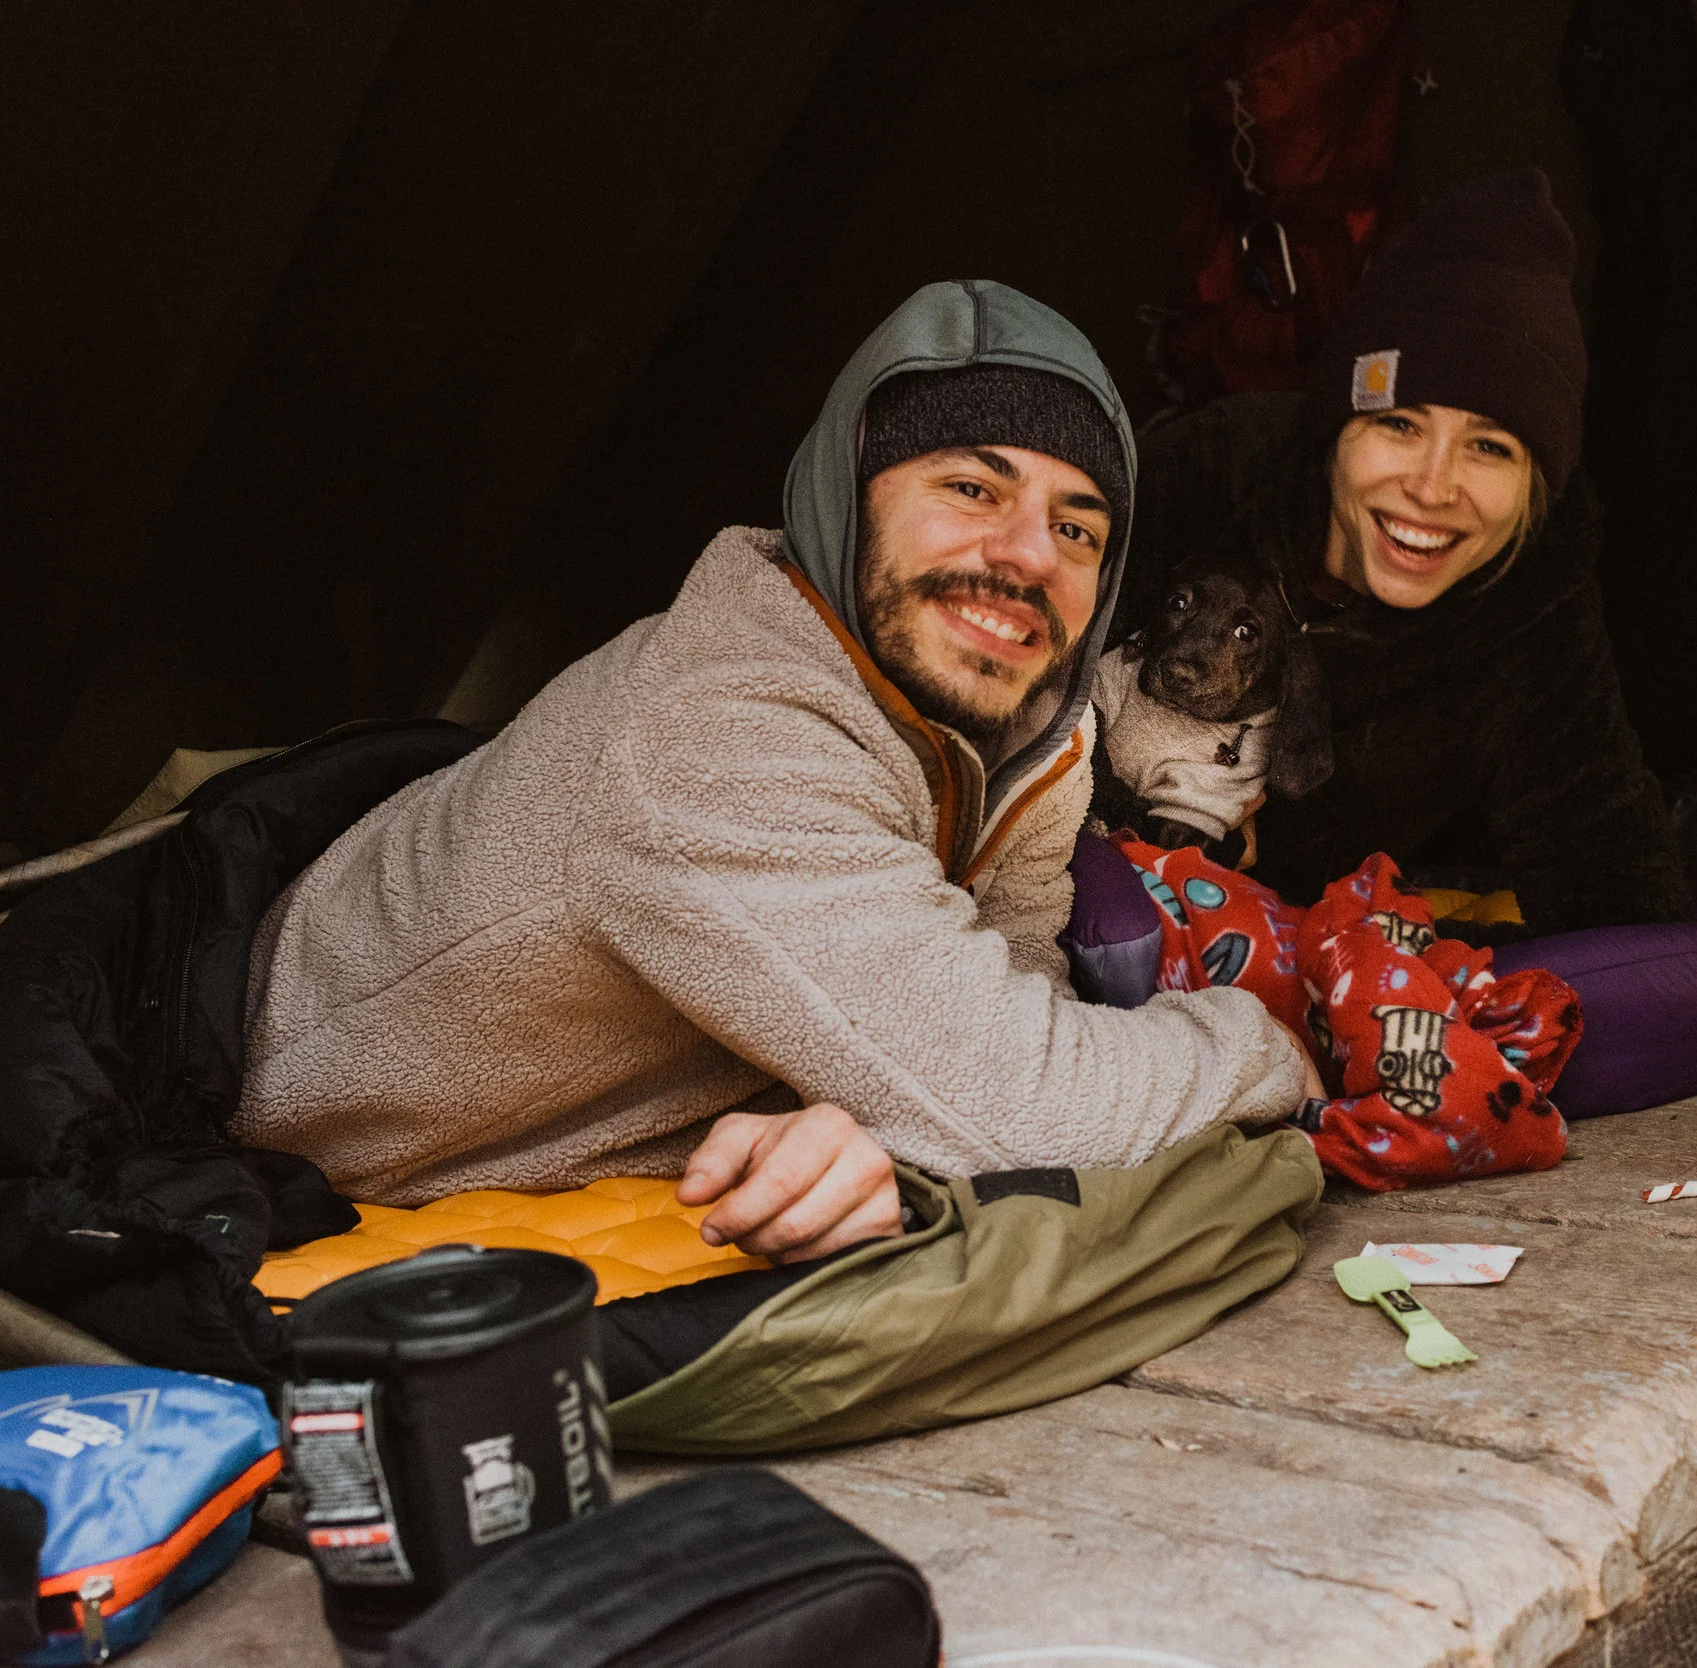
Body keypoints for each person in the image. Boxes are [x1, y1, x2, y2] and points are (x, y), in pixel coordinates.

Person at [234, 280, 1319, 1263]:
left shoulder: (1027, 733)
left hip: (614, 1118)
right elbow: (1024, 1104)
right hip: (322, 1144)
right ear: (849, 494)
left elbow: (1003, 1008)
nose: (1029, 554)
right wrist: (1254, 1045)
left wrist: (878, 1112)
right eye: (970, 487)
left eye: (1077, 528)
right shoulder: (725, 729)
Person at [1117, 170, 1697, 1114]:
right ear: (1337, 430)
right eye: (1399, 425)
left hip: (1340, 959)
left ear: (1537, 484)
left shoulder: (1528, 592)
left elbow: (1607, 868)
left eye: (1491, 447)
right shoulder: (1206, 481)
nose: (1433, 487)